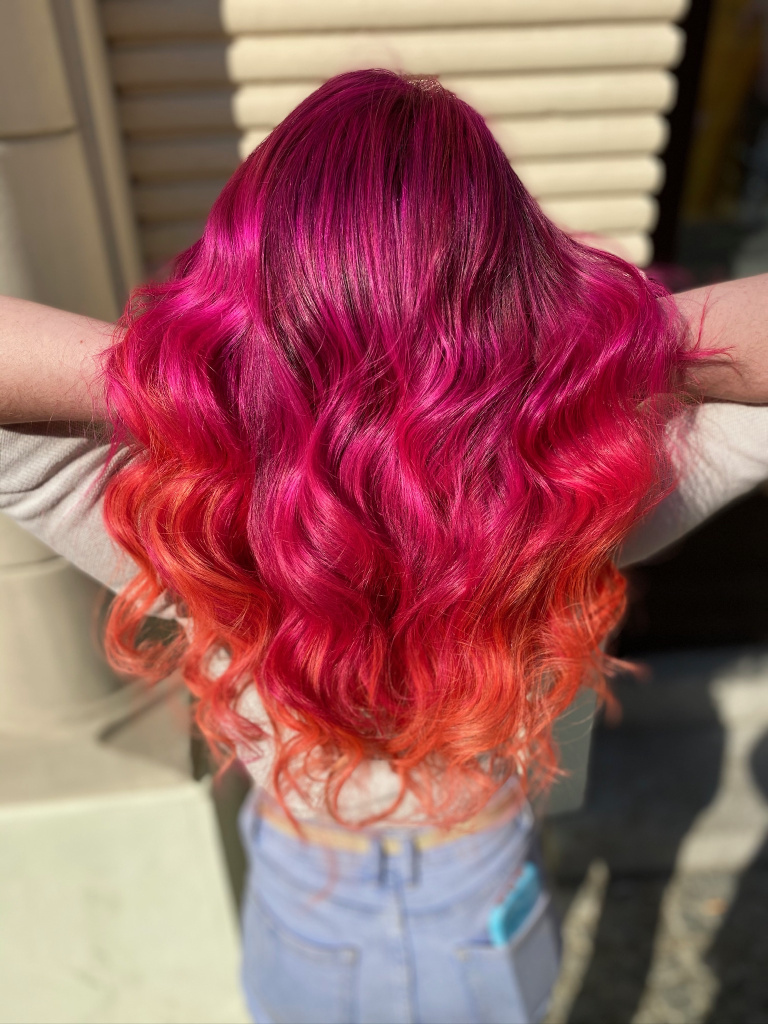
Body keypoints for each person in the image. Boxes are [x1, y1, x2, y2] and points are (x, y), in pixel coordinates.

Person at [3, 69, 768, 1024]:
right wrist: (585, 352)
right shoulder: (576, 496)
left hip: (305, 891)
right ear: (521, 283)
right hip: (477, 887)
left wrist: (199, 376)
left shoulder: (185, 518)